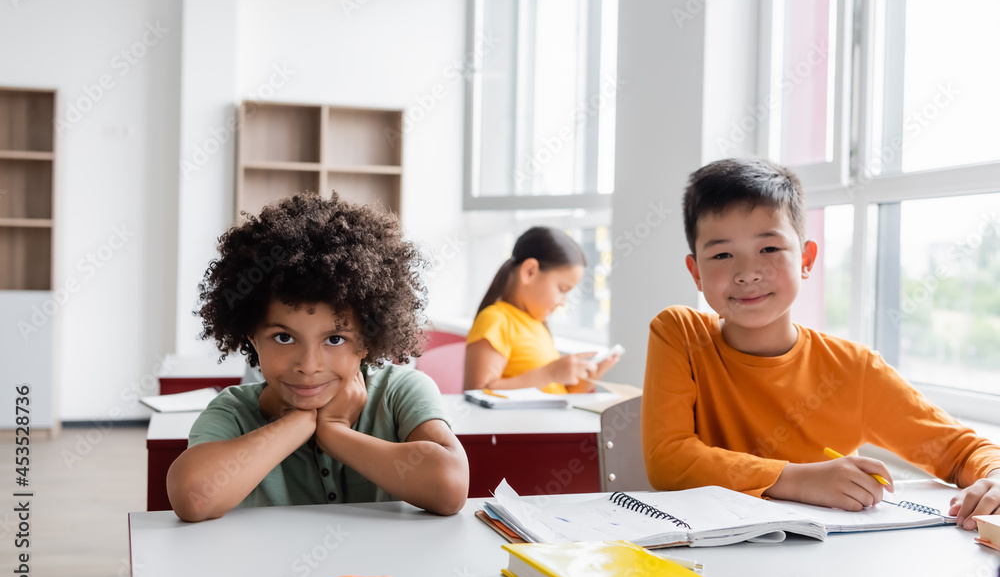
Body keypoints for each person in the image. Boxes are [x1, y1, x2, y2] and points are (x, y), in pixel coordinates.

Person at [642, 157, 1000, 529]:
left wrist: (995, 476)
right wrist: (799, 479)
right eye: (722, 255)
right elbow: (668, 460)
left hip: (825, 565)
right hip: (702, 564)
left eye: (769, 249)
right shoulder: (680, 333)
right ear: (696, 272)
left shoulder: (853, 369)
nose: (747, 273)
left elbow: (963, 451)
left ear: (806, 259)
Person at [167, 193, 469, 522]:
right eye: (284, 337)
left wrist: (335, 432)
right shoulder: (234, 411)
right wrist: (297, 423)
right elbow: (194, 497)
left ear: (368, 340)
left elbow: (450, 487)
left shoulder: (400, 393)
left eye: (335, 339)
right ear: (252, 337)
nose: (309, 366)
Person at [464, 226, 619, 394]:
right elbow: (478, 393)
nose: (562, 302)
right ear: (529, 272)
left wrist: (590, 378)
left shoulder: (538, 325)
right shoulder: (496, 319)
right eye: (561, 289)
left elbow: (557, 394)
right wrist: (549, 373)